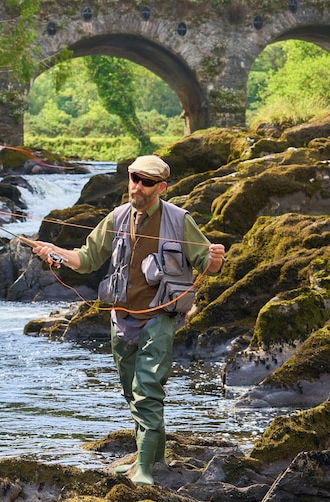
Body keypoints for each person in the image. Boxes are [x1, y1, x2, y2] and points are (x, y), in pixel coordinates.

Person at [32, 155, 225, 485]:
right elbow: (85, 258)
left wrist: (216, 259)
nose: (137, 185)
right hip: (121, 318)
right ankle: (152, 456)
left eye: (146, 181)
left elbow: (208, 264)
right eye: (134, 177)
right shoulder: (117, 217)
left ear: (161, 187)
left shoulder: (180, 221)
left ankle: (145, 471)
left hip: (159, 317)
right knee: (131, 393)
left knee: (147, 391)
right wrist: (55, 251)